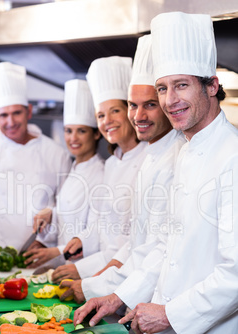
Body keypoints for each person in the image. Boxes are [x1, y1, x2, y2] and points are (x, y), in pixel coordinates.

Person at [75, 12, 238, 334]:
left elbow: (235, 273)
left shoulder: (232, 155)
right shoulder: (185, 151)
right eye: (163, 88)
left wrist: (168, 314)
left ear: (212, 86)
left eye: (181, 86)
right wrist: (120, 296)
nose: (169, 101)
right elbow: (165, 246)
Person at [59, 34, 185, 304]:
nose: (138, 116)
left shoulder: (175, 157)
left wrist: (96, 284)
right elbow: (132, 240)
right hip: (124, 288)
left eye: (150, 104)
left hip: (147, 298)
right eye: (132, 105)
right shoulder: (135, 158)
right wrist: (94, 279)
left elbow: (155, 250)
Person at [52, 56, 148, 282]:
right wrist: (82, 241)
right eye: (101, 115)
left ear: (131, 111)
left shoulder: (148, 159)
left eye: (115, 111)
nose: (107, 121)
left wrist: (84, 271)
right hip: (104, 274)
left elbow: (134, 240)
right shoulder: (113, 163)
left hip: (127, 276)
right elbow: (101, 222)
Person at [0, 61, 72, 253]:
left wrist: (47, 242)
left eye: (17, 112)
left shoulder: (56, 153)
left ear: (29, 111)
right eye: (3, 115)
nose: (11, 122)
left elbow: (67, 207)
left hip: (39, 255)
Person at [23, 79, 104, 268]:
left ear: (96, 134)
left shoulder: (100, 174)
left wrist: (57, 252)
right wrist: (51, 213)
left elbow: (96, 234)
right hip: (64, 267)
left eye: (81, 131)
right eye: (68, 131)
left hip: (84, 269)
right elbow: (70, 217)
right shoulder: (74, 168)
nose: (72, 138)